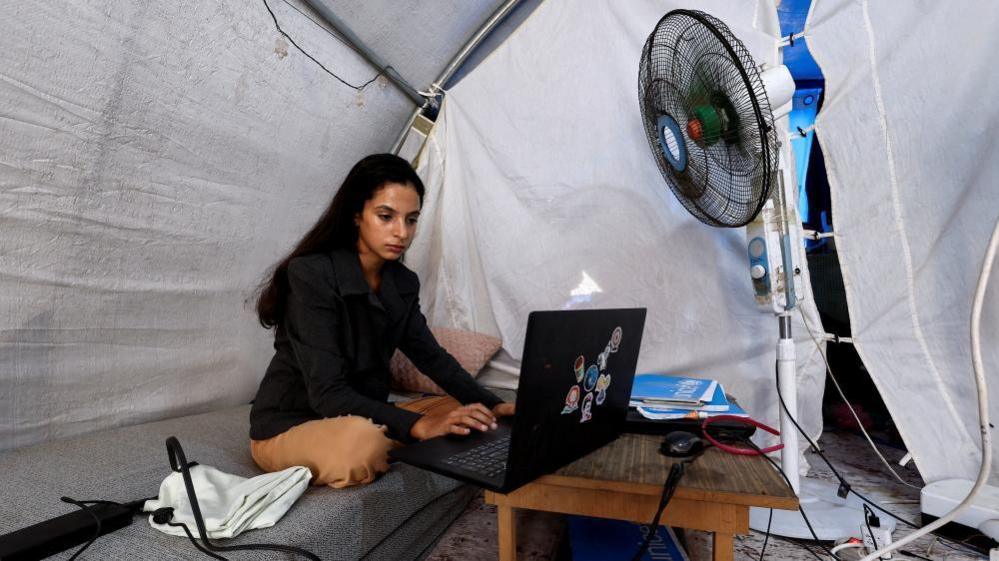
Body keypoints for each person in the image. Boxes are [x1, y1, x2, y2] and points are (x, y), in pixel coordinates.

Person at [249, 153, 514, 488]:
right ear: (356, 214)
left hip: (363, 414)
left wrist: (492, 404)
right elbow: (328, 394)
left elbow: (431, 357)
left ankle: (403, 433)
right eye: (386, 216)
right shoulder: (311, 274)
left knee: (474, 416)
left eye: (411, 219)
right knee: (364, 444)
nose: (402, 232)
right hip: (294, 424)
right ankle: (396, 437)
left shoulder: (402, 283)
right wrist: (418, 425)